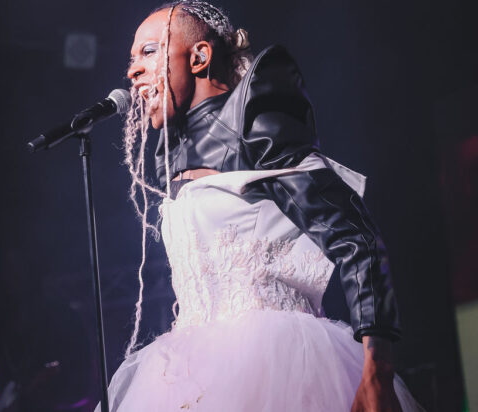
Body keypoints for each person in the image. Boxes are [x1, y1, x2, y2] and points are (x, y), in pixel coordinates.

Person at [99, 1, 424, 411]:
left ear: (199, 57)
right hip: (190, 370)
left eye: (148, 52)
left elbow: (357, 239)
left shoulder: (258, 121)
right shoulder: (171, 157)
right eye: (131, 59)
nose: (132, 71)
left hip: (277, 358)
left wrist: (378, 369)